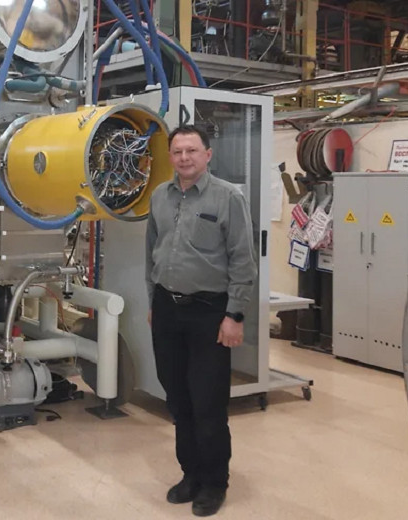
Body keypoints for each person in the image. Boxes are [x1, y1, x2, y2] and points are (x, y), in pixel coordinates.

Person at [145, 125, 256, 517]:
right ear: (170, 156)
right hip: (167, 308)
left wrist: (235, 315)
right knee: (178, 398)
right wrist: (153, 300)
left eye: (192, 150)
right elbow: (151, 252)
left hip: (210, 312)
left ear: (208, 154)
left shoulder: (228, 197)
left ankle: (214, 482)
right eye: (177, 151)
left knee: (207, 402)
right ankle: (190, 474)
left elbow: (243, 260)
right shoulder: (159, 196)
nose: (184, 158)